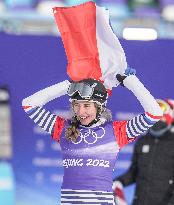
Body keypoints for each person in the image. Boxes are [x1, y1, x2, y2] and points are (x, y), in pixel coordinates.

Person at [22, 2, 163, 205]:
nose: (80, 111)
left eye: (87, 106)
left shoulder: (117, 132)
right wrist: (69, 84)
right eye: (76, 105)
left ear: (100, 107)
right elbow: (29, 104)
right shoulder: (63, 128)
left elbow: (154, 113)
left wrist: (131, 82)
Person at [113, 99, 174, 205]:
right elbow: (134, 172)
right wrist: (119, 182)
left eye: (162, 114)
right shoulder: (143, 141)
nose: (158, 119)